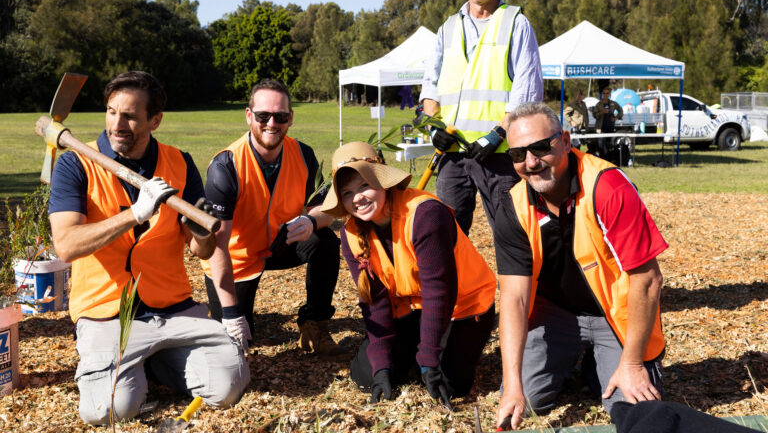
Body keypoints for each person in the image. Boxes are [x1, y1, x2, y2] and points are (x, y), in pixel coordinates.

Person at [48, 71, 249, 426]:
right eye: (111, 112)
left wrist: (199, 231)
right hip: (105, 313)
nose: (117, 124)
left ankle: (152, 361)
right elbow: (66, 246)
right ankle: (134, 367)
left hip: (173, 309)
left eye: (129, 115)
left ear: (155, 120)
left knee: (227, 386)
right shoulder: (76, 163)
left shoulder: (180, 163)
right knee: (111, 411)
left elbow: (201, 251)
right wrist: (136, 213)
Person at [493, 102, 666, 430]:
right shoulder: (513, 207)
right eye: (518, 154)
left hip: (614, 314)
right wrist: (512, 385)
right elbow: (513, 298)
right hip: (555, 314)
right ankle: (586, 362)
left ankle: (600, 363)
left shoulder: (609, 187)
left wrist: (631, 363)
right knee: (524, 402)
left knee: (629, 405)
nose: (530, 162)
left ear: (566, 141)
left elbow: (648, 280)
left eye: (541, 148)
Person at [320, 142, 496, 408]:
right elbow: (374, 301)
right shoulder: (351, 233)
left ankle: (435, 351)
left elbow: (440, 292)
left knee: (451, 384)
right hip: (411, 308)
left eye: (364, 185)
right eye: (347, 193)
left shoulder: (425, 214)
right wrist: (380, 366)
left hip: (463, 307)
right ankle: (417, 353)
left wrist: (429, 360)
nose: (357, 198)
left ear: (382, 181)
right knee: (368, 377)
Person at [202, 78, 344, 356]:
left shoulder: (303, 154)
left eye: (280, 116)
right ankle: (226, 314)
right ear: (248, 116)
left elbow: (330, 208)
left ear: (290, 118)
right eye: (263, 115)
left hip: (280, 243)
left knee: (325, 240)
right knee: (238, 346)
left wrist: (311, 221)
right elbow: (216, 246)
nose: (271, 123)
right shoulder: (225, 166)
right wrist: (231, 313)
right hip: (237, 257)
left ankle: (314, 323)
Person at [419, 0, 543, 235]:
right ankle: (454, 284)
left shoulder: (517, 23)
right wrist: (433, 128)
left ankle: (518, 283)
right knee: (448, 235)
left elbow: (527, 92)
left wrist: (498, 133)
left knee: (510, 233)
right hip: (452, 155)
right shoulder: (447, 28)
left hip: (498, 154)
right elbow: (430, 87)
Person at [592, 81, 624, 161]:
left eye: (607, 93)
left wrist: (616, 118)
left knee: (609, 144)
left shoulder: (613, 103)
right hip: (601, 127)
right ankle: (603, 159)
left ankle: (609, 159)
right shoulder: (598, 104)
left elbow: (621, 111)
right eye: (604, 93)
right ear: (602, 94)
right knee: (601, 144)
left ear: (609, 94)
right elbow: (594, 115)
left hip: (610, 127)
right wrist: (601, 112)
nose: (605, 95)